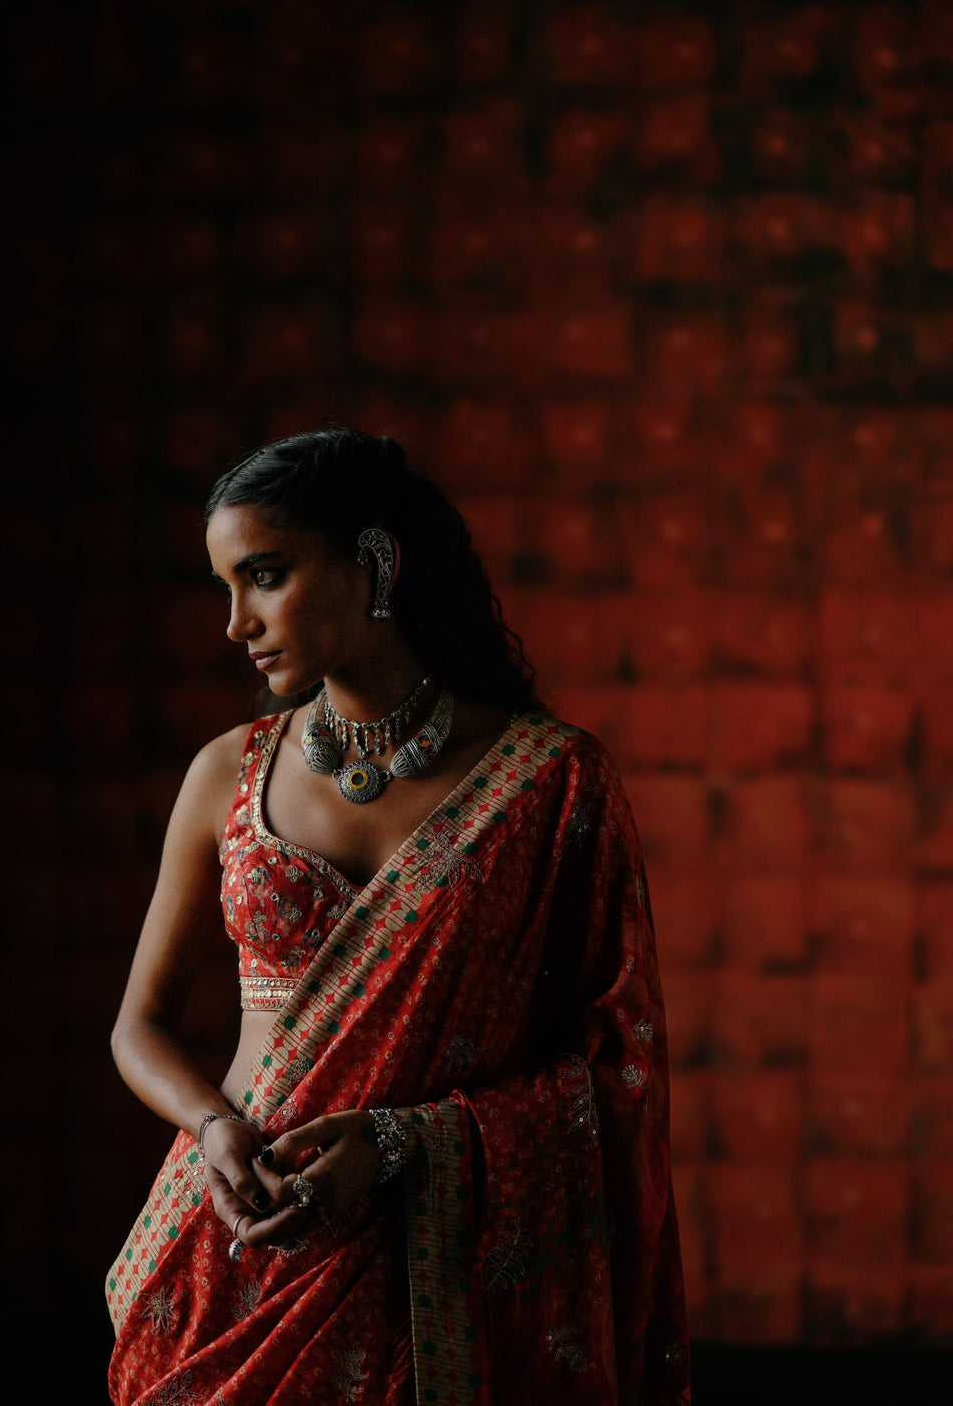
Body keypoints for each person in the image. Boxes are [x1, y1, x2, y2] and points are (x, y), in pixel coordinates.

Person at [107, 427, 690, 1406]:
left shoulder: (551, 783)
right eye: (225, 585)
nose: (235, 621)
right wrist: (213, 1127)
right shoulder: (227, 771)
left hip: (443, 1287)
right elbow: (139, 1025)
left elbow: (614, 1068)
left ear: (373, 562)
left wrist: (400, 1144)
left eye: (265, 573)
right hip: (234, 1255)